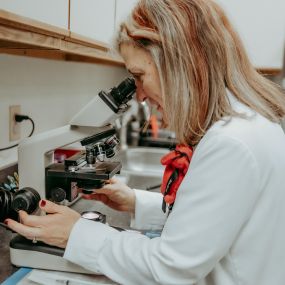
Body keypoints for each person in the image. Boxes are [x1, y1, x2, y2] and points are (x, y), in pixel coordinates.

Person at [5, 0, 285, 284]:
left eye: (139, 76)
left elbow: (172, 267)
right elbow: (208, 227)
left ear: (179, 66)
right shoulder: (248, 126)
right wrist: (136, 202)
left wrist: (75, 233)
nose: (138, 95)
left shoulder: (231, 144)